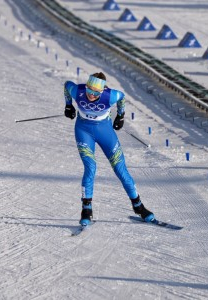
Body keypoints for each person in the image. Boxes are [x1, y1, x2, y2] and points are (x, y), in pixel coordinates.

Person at [63, 72, 155, 226]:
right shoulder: (78, 91)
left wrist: (120, 115)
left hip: (104, 130)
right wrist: (68, 105)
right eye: (89, 90)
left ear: (102, 90)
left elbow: (122, 96)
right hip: (83, 131)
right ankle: (86, 209)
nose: (91, 94)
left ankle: (138, 206)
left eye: (95, 92)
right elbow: (67, 85)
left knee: (120, 168)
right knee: (90, 167)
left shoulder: (110, 96)